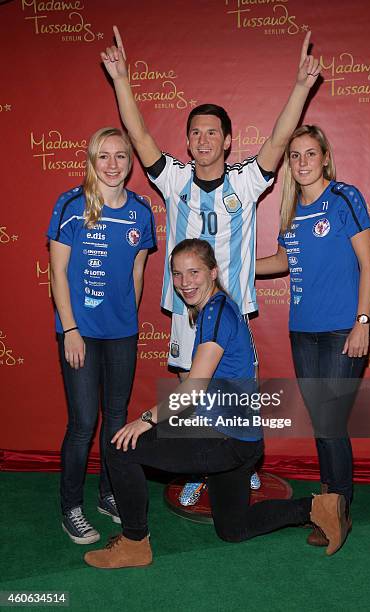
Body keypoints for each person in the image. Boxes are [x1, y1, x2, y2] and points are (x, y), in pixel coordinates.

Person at [100, 27, 322, 505]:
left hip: (230, 308)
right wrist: (121, 78)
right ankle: (204, 467)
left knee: (232, 393)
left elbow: (280, 140)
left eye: (212, 133)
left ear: (226, 142)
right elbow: (138, 137)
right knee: (190, 389)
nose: (203, 140)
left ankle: (241, 464)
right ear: (187, 141)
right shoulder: (174, 177)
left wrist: (302, 87)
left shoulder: (245, 181)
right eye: (195, 132)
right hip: (185, 307)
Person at [84, 238, 348, 569]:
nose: (185, 282)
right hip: (240, 439)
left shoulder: (217, 312)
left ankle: (135, 543)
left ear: (213, 272)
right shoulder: (216, 308)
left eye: (194, 272)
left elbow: (193, 389)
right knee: (233, 529)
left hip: (226, 438)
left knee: (120, 448)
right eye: (177, 274)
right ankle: (317, 508)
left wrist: (146, 419)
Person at [256, 124, 370, 546]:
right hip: (302, 334)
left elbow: (369, 266)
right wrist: (234, 267)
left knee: (330, 423)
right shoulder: (289, 211)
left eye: (310, 154)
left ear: (324, 157)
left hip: (344, 331)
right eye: (295, 156)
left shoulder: (345, 197)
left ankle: (337, 511)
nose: (302, 162)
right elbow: (281, 261)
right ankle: (329, 506)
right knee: (322, 424)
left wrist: (362, 323)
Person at [48, 127, 156, 544]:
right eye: (103, 156)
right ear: (92, 161)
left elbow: (137, 271)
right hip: (80, 334)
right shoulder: (71, 205)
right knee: (81, 425)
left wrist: (126, 319)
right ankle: (70, 507)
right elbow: (57, 271)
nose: (112, 165)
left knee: (116, 419)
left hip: (122, 335)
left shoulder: (141, 212)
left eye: (121, 157)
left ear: (131, 163)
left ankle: (108, 493)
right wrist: (71, 329)